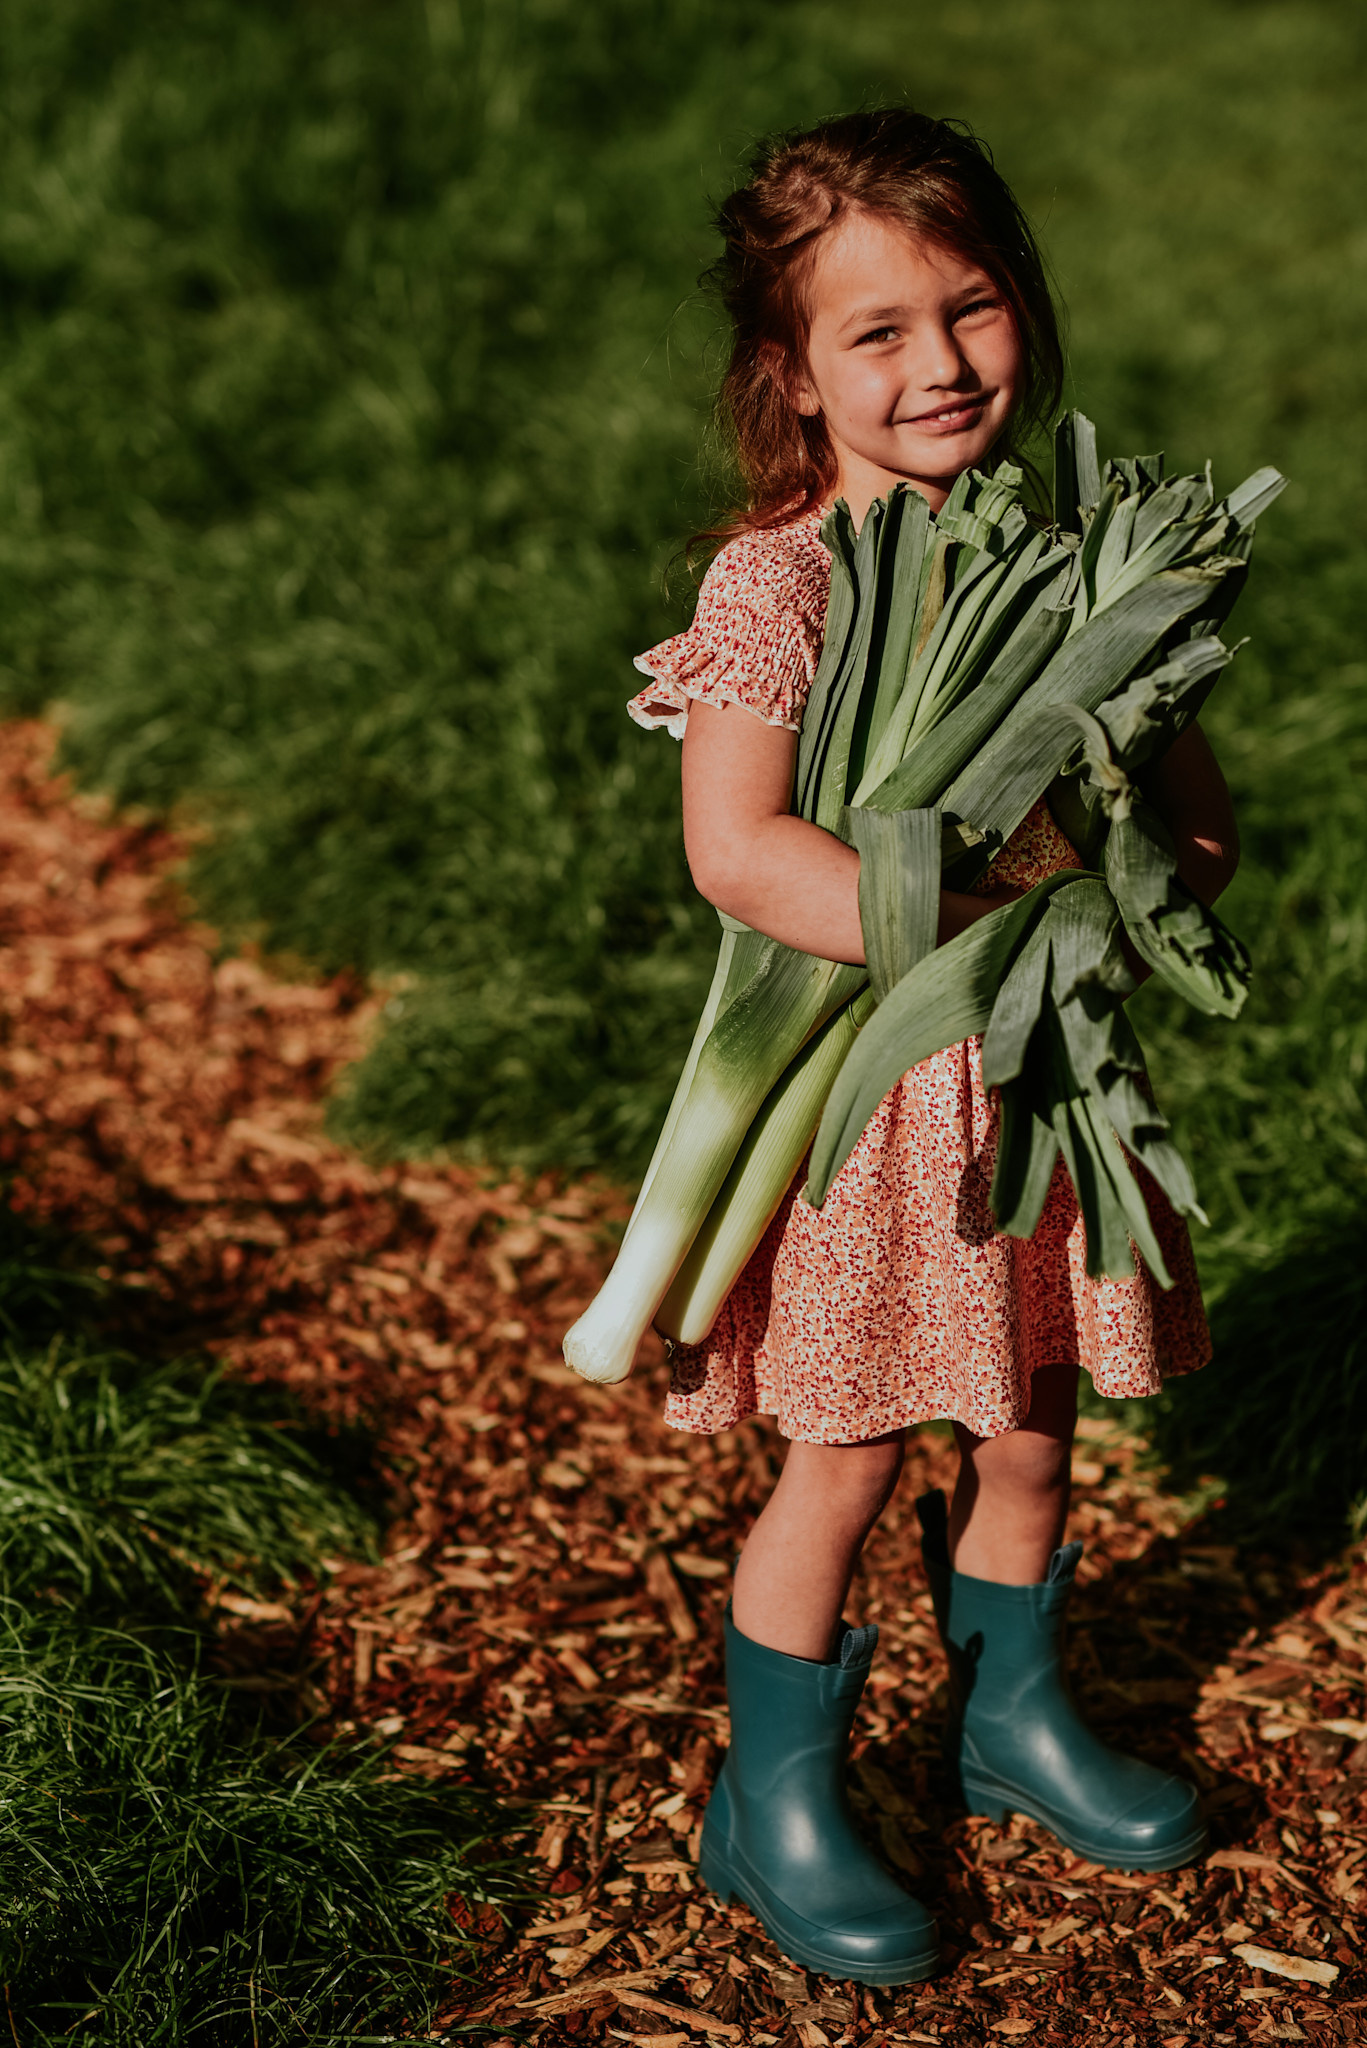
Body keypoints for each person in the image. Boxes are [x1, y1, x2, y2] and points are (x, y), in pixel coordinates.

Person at [627, 110, 1235, 1987]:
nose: (939, 365)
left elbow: (1193, 814)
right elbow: (744, 851)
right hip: (873, 1100)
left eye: (968, 311)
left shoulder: (1078, 561)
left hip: (1047, 1089)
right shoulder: (784, 585)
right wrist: (979, 923)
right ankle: (774, 1800)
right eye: (873, 334)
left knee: (1035, 1431)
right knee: (851, 1458)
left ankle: (1005, 1721)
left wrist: (1150, 884)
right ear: (792, 379)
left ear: (1023, 312)